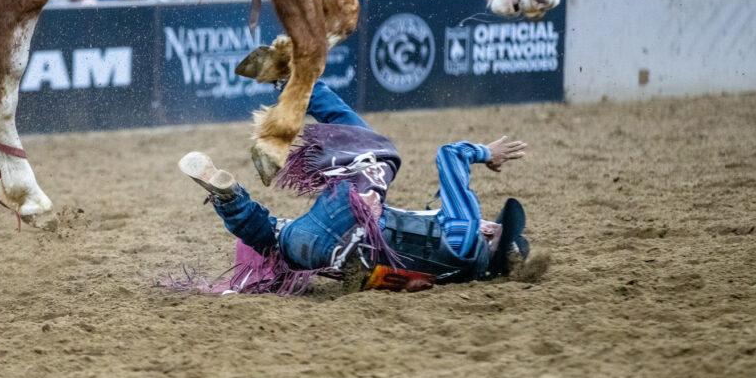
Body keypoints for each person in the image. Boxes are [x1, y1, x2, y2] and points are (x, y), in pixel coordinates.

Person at [176, 79, 537, 295]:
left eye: (494, 224)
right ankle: (230, 199)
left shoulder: (466, 231)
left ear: (490, 234)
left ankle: (297, 83)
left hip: (348, 219)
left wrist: (486, 153)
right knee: (271, 237)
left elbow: (450, 156)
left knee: (376, 148)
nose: (489, 221)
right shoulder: (449, 274)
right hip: (318, 252)